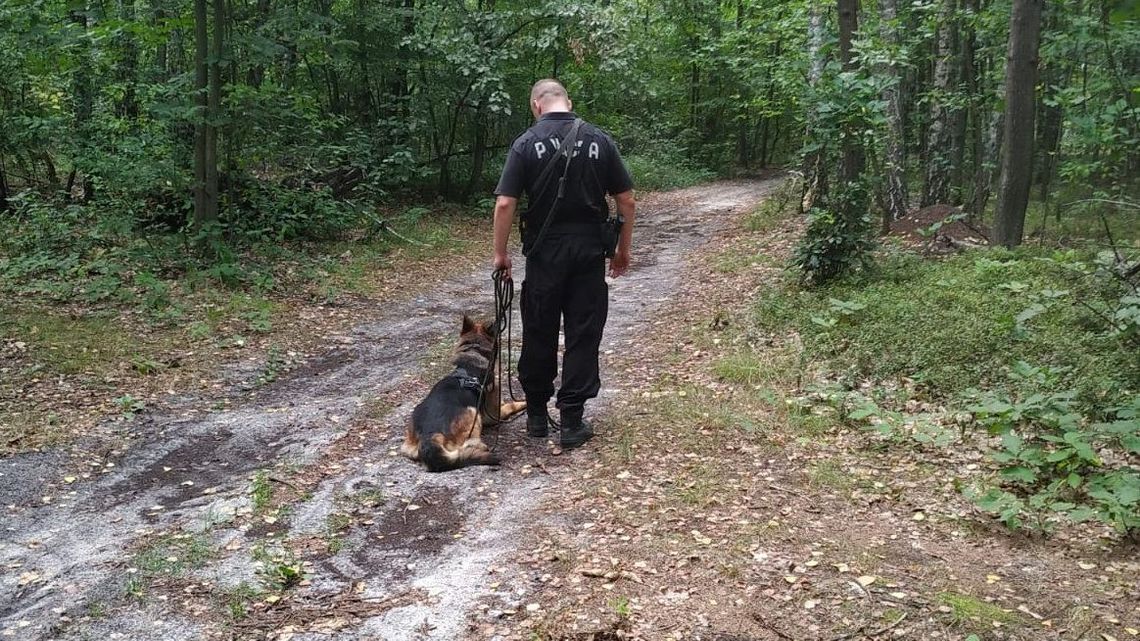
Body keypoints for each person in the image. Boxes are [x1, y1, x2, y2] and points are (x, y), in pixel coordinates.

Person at [491, 79, 636, 449]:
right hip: (589, 250)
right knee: (583, 331)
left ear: (536, 105)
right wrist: (622, 250)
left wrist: (501, 254)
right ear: (567, 102)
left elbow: (505, 203)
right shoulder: (600, 140)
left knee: (539, 327)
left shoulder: (525, 144)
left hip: (544, 250)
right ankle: (572, 420)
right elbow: (627, 201)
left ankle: (537, 416)